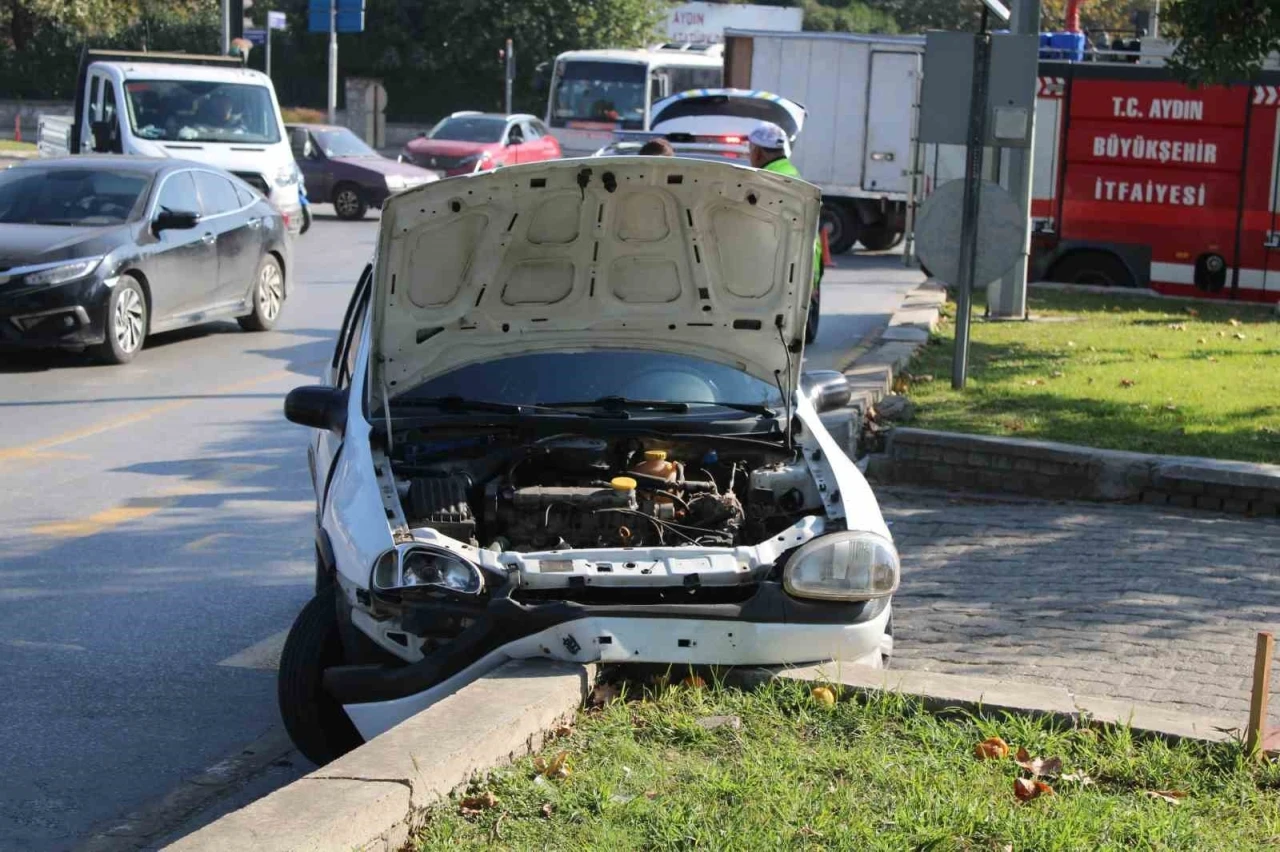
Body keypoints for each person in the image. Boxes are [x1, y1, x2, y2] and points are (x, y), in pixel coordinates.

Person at [748, 122, 823, 341]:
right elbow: (813, 239)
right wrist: (813, 280)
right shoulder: (794, 177)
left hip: (775, 283)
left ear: (758, 152)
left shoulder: (763, 182)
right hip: (797, 277)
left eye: (750, 150)